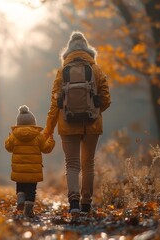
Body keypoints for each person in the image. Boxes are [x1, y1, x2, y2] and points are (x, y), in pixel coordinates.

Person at [43, 31, 111, 217]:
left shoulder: (62, 71)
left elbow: (54, 104)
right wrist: (95, 112)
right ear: (88, 49)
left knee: (72, 164)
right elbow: (106, 98)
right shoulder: (96, 70)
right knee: (88, 164)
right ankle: (86, 203)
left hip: (67, 124)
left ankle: (73, 202)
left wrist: (48, 130)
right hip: (92, 125)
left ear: (68, 50)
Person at [5, 105, 55, 217]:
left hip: (19, 171)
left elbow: (8, 148)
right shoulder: (38, 136)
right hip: (33, 171)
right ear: (33, 123)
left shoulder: (14, 136)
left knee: (20, 187)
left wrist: (9, 139)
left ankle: (20, 197)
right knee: (31, 191)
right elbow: (46, 149)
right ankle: (28, 209)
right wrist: (51, 141)